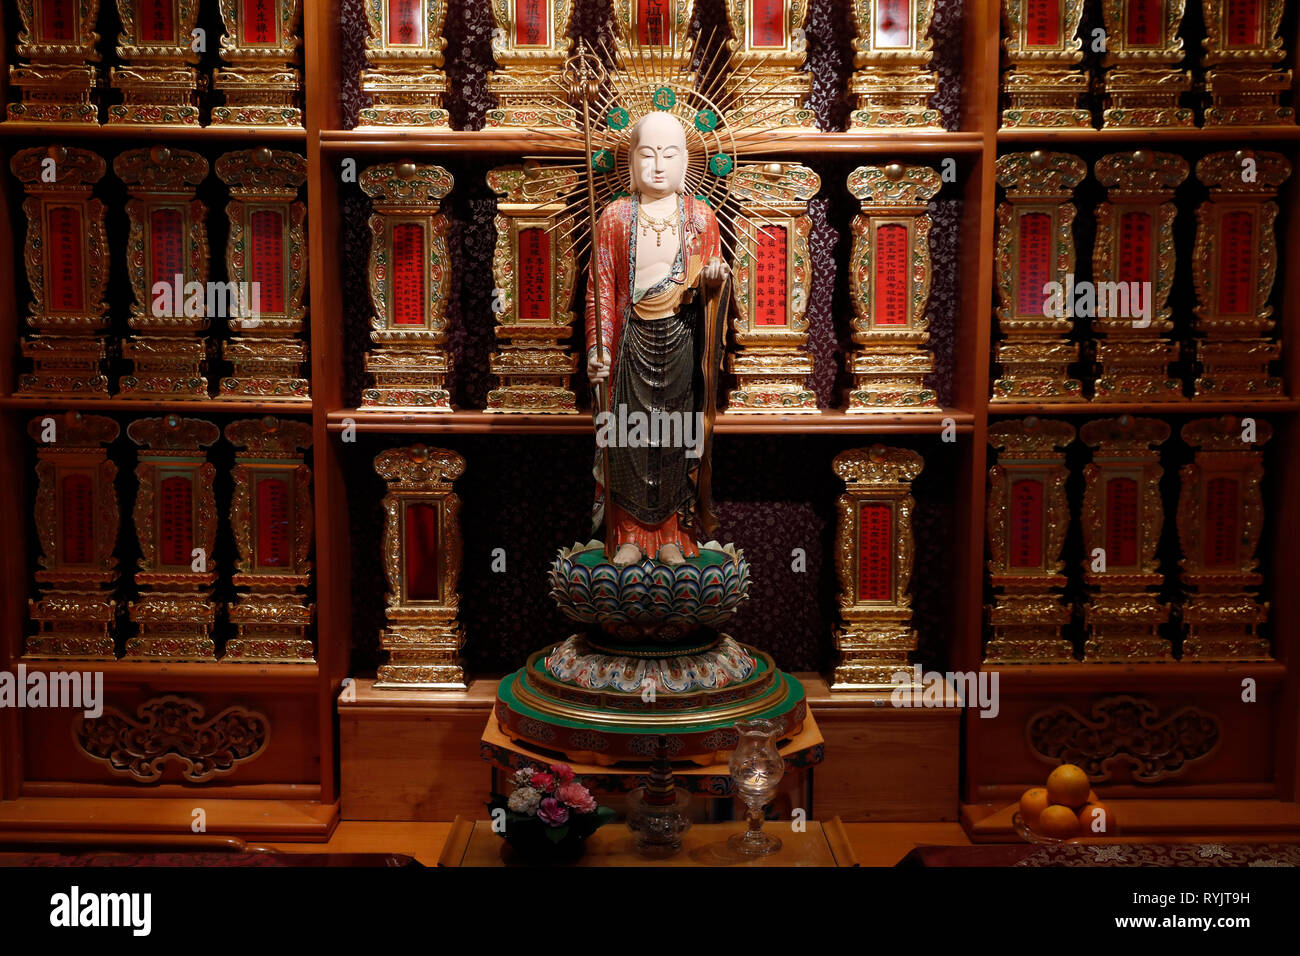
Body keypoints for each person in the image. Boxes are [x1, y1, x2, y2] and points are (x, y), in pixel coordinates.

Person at [585, 111, 729, 567]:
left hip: (682, 337)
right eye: (647, 155)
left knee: (673, 436)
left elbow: (714, 281)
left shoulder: (700, 218)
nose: (658, 165)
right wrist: (598, 347)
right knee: (625, 436)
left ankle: (672, 532)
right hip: (630, 340)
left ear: (687, 162)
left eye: (670, 155)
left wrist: (713, 278)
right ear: (630, 163)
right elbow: (601, 288)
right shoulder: (615, 217)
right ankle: (627, 532)